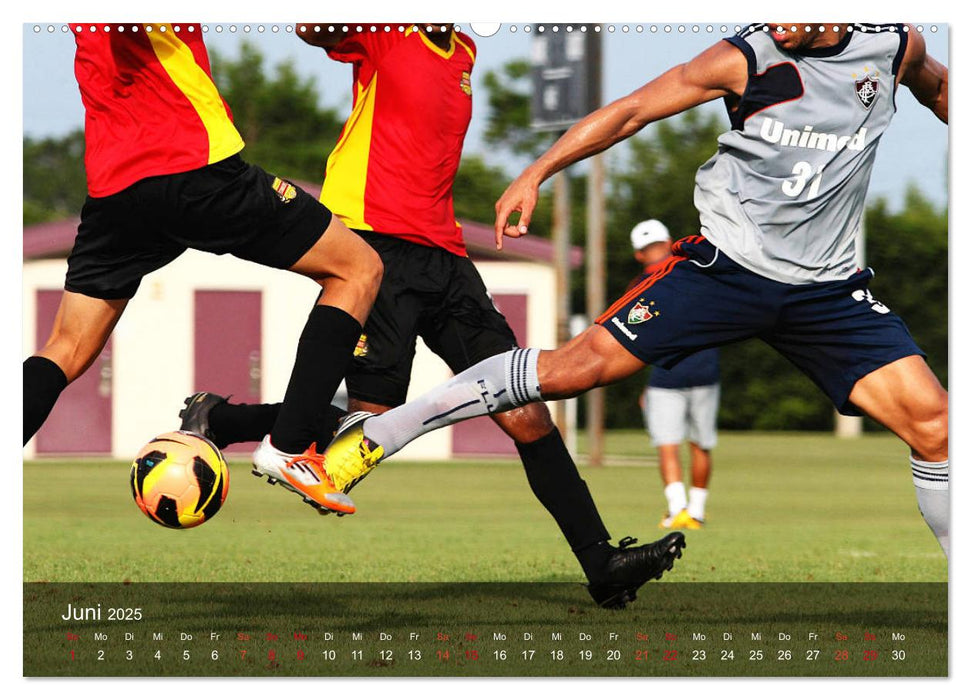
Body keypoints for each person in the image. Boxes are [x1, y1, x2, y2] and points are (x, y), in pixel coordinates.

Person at [319, 23, 950, 560]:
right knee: (573, 370)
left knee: (938, 427)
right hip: (724, 271)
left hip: (827, 291)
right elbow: (631, 112)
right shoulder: (744, 57)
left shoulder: (894, 49)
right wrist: (537, 171)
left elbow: (942, 88)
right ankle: (378, 437)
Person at [178, 23, 685, 610]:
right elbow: (315, 30)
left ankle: (604, 564)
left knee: (525, 412)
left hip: (446, 257)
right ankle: (228, 421)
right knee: (365, 428)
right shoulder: (384, 32)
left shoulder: (466, 50)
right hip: (373, 245)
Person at [22, 23, 384, 516]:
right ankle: (290, 447)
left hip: (116, 190)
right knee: (357, 268)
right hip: (194, 164)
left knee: (64, 347)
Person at [629, 220, 720, 530]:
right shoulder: (698, 274)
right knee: (697, 444)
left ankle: (682, 510)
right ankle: (690, 511)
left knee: (676, 445)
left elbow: (636, 343)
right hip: (692, 374)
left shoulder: (641, 288)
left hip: (673, 377)